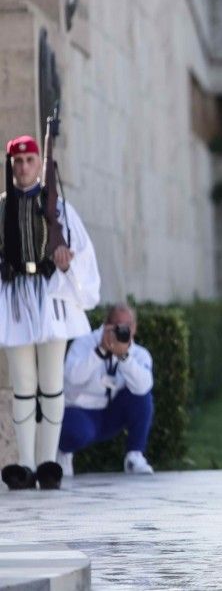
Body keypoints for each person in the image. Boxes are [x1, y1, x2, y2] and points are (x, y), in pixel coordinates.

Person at [1, 135, 100, 491]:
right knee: (24, 383)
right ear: (10, 165)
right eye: (17, 161)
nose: (23, 167)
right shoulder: (2, 207)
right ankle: (26, 465)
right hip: (14, 300)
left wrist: (66, 262)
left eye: (29, 160)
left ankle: (48, 462)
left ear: (39, 162)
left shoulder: (58, 208)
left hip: (51, 298)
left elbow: (80, 251)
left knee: (52, 382)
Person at [57, 304, 154, 476]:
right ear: (106, 324)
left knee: (142, 396)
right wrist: (100, 351)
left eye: (127, 326)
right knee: (76, 431)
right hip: (81, 412)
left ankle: (134, 455)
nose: (121, 331)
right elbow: (71, 377)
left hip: (111, 414)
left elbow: (144, 387)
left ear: (134, 328)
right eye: (117, 325)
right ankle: (63, 451)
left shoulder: (139, 354)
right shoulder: (84, 343)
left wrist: (124, 357)